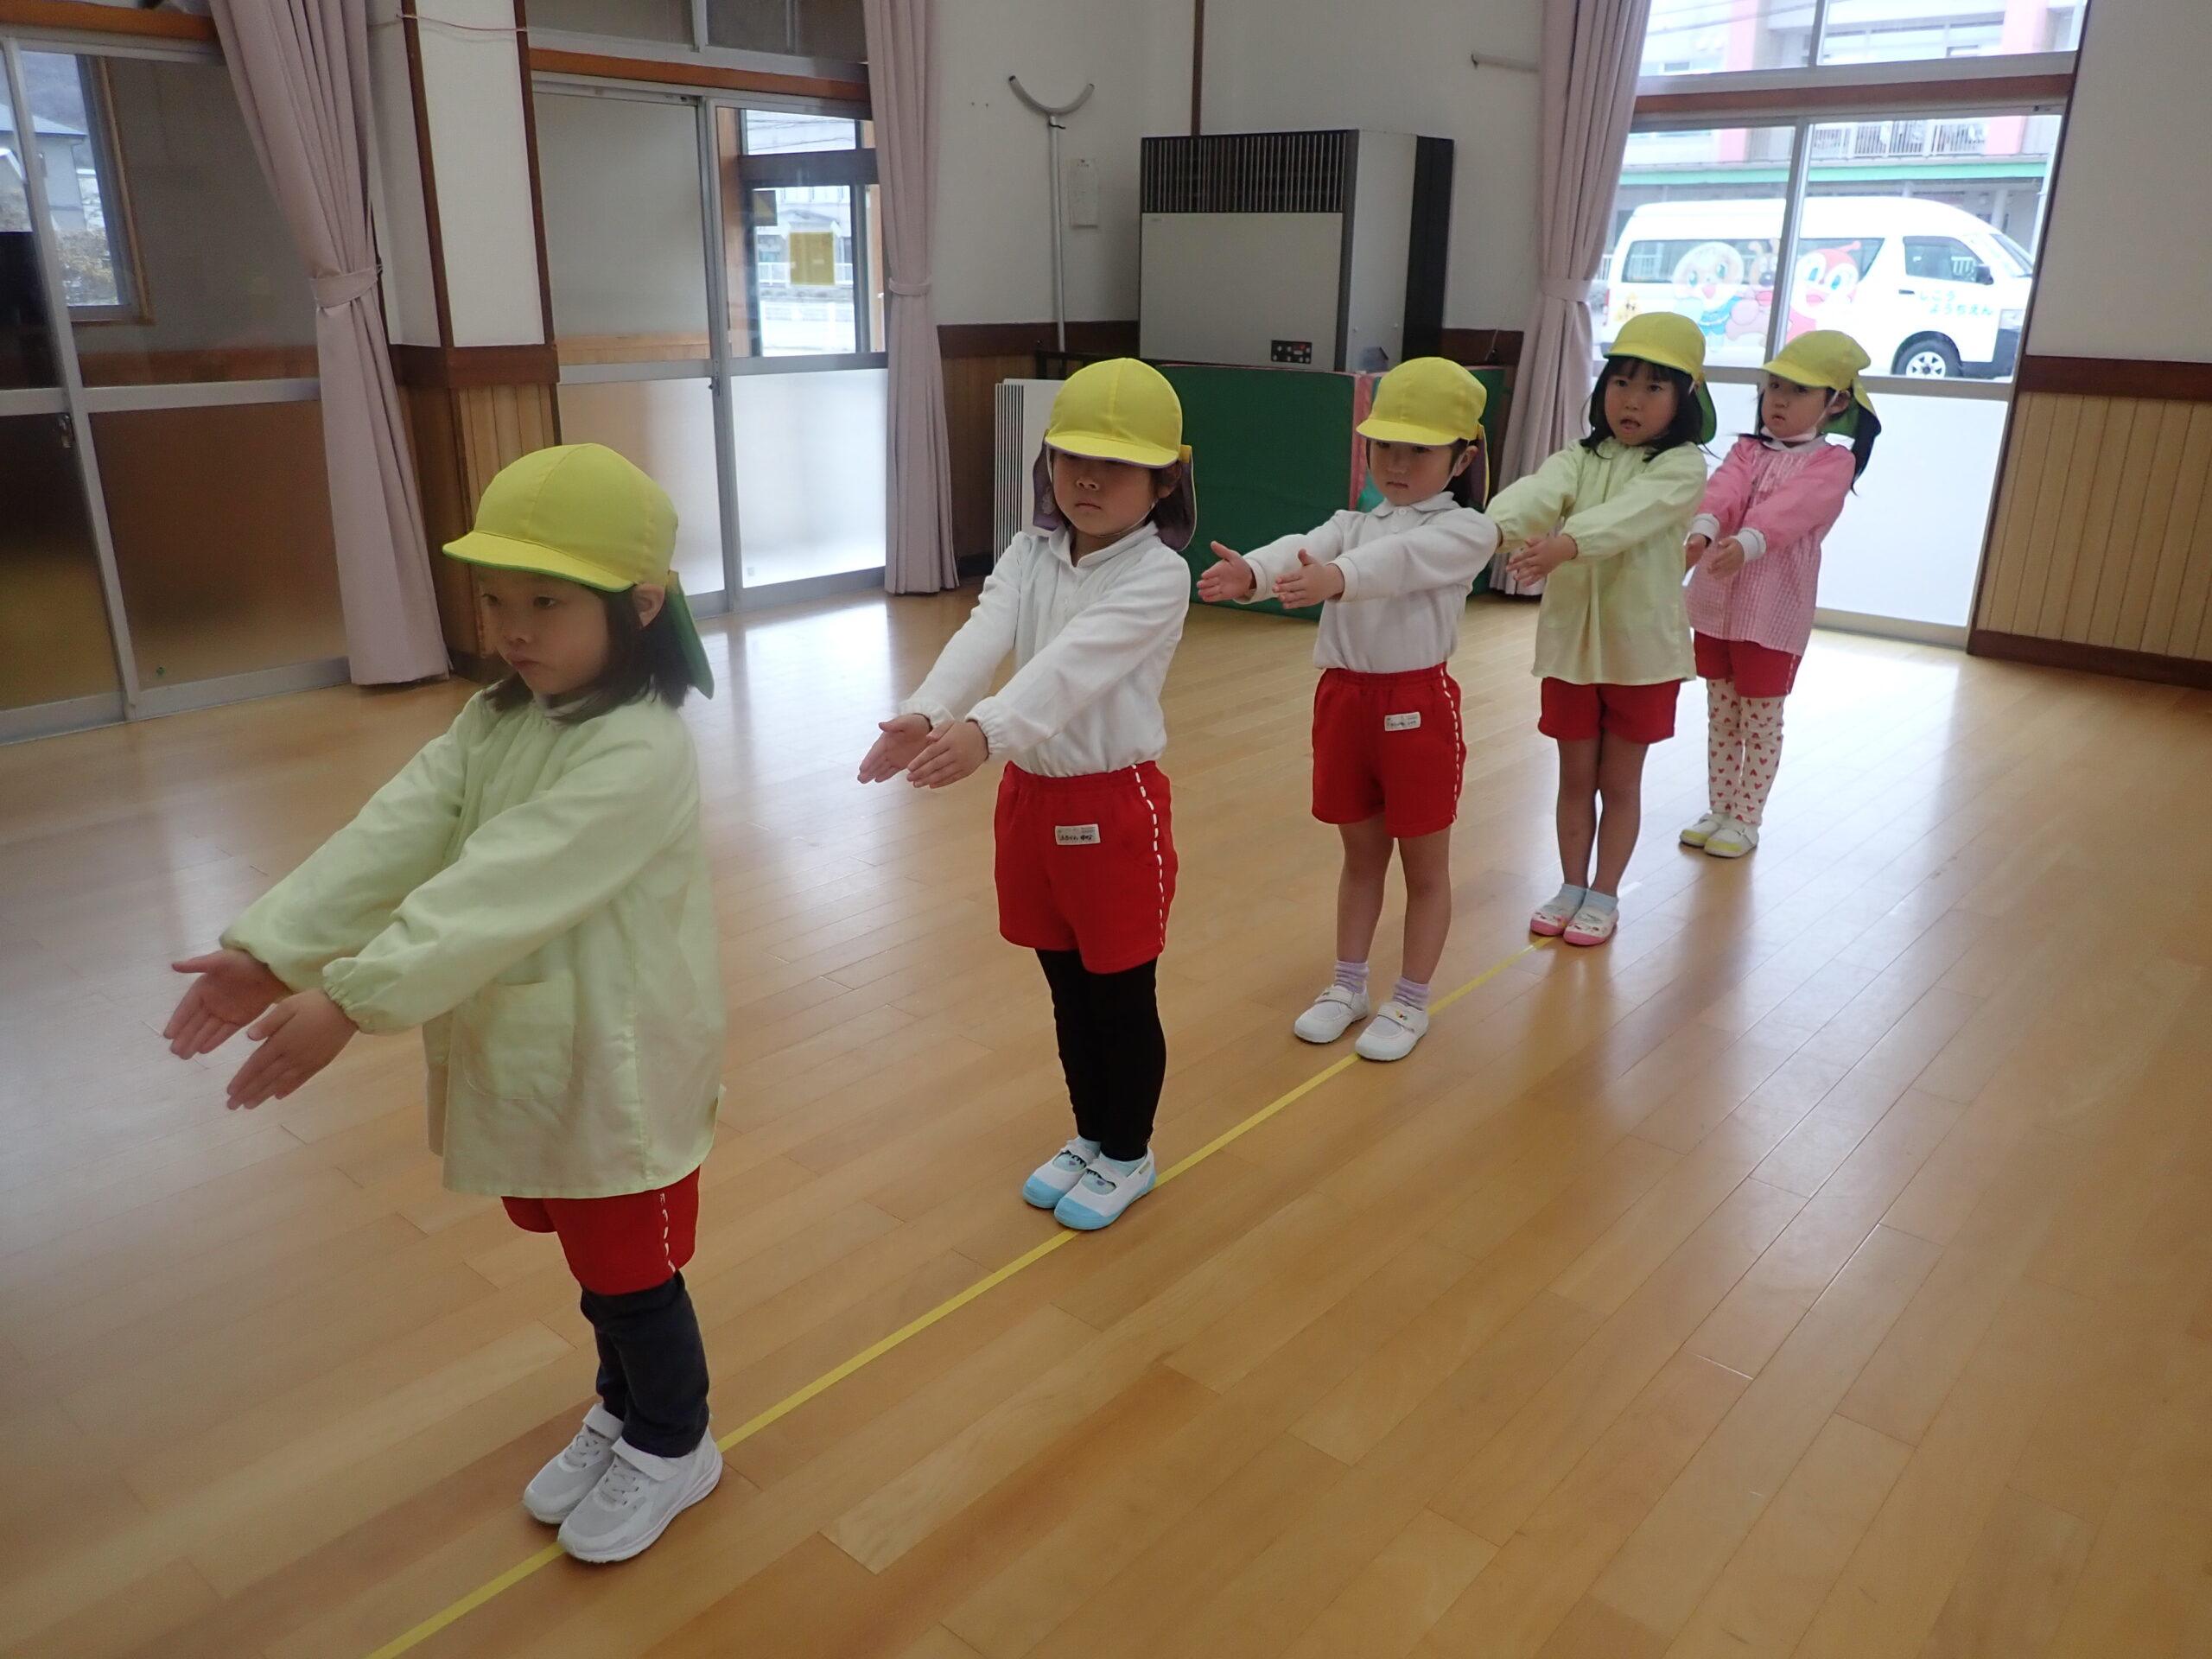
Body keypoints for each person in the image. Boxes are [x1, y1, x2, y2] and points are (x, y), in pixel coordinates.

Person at [162, 445, 727, 1564]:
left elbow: (495, 889)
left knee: (632, 1272)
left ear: (640, 604)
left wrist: (351, 997)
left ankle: (676, 1440)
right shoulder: (500, 720)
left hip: (614, 1064)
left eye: (547, 603)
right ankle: (624, 1406)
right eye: (496, 599)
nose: (512, 629)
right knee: (593, 1264)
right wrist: (273, 951)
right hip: (533, 1046)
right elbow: (399, 829)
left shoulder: (639, 750)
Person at [858, 359, 1194, 1232]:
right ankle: (1092, 1133)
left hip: (1113, 805)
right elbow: (986, 632)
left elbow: (1071, 668)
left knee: (1120, 994)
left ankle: (1129, 1151)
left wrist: (984, 731)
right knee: (1066, 987)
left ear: (1165, 481)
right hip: (1031, 802)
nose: (1088, 479)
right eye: (1072, 457)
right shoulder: (1029, 550)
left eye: (1116, 465)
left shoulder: (1158, 574)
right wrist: (927, 712)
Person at [1198, 357, 1497, 1060]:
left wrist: (1336, 578)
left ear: (1463, 458)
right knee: (1361, 856)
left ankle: (1411, 1000)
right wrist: (1254, 572)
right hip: (1344, 703)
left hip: (1416, 708)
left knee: (1424, 867)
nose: (1396, 462)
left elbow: (1401, 562)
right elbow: (1303, 548)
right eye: (1384, 445)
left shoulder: (1468, 531)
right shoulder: (1353, 522)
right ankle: (1349, 985)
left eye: (1418, 450)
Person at [1490, 311, 1713, 946]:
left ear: (1683, 398)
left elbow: (1630, 516)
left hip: (1640, 653)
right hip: (1571, 648)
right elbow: (1536, 494)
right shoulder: (1579, 456)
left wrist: (1566, 544)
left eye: (1653, 387)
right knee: (1573, 779)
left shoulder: (1683, 467)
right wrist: (1487, 530)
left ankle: (1605, 894)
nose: (1631, 400)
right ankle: (1570, 885)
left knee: (1618, 782)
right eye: (1621, 382)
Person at [1681, 330, 1880, 858]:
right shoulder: (1746, 449)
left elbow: (1794, 510)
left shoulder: (1833, 463)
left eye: (1798, 390)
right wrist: (1702, 531)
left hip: (1772, 614)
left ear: (1837, 402)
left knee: (1761, 719)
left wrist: (1748, 542)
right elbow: (1723, 491)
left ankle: (1746, 818)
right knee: (1721, 713)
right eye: (1774, 387)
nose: (1780, 401)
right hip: (1717, 607)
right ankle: (1719, 808)